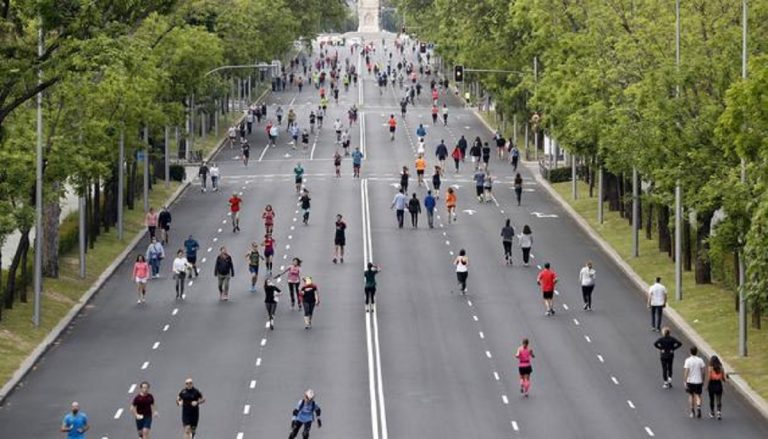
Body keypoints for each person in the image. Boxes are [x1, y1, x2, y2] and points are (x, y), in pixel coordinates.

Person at [684, 346, 707, 419]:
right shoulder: (700, 360)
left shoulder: (688, 360)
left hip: (690, 381)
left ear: (690, 352)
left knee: (691, 395)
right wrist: (703, 380)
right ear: (697, 352)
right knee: (698, 395)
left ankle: (692, 411)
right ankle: (699, 407)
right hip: (698, 380)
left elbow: (686, 371)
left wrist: (685, 381)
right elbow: (703, 371)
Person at [707, 355, 726, 419]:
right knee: (719, 399)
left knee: (711, 399)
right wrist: (725, 379)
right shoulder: (721, 368)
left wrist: (707, 385)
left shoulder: (710, 368)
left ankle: (712, 412)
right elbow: (723, 378)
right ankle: (719, 412)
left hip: (712, 384)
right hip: (718, 384)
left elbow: (709, 377)